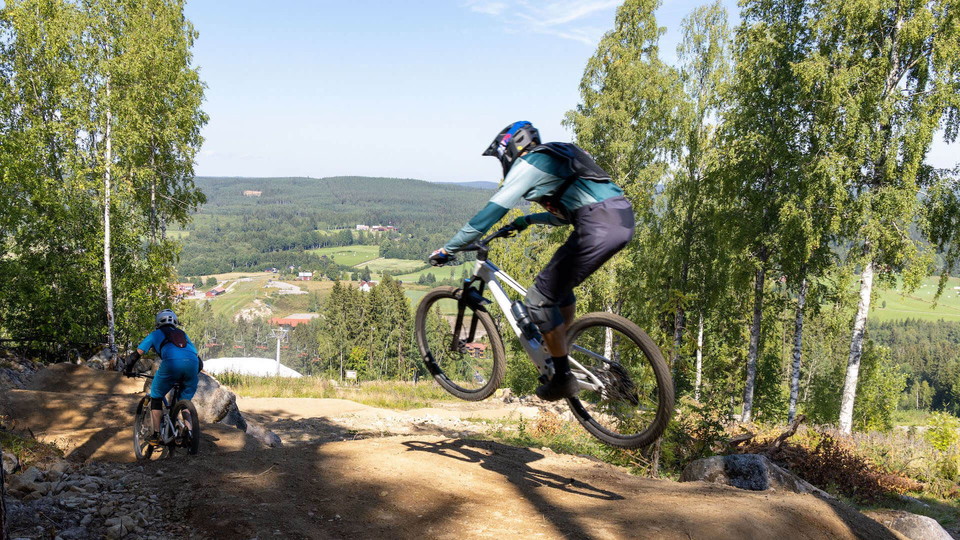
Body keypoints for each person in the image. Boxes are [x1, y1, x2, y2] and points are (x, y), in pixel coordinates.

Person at [430, 121, 635, 401]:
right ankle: (560, 348)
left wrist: (449, 248)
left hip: (596, 225)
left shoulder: (533, 162)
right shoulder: (558, 157)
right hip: (620, 218)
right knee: (557, 291)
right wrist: (527, 219)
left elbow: (492, 210)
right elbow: (565, 215)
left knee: (538, 299)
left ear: (511, 148)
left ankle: (562, 378)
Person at [123, 309, 200, 446]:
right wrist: (189, 373)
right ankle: (189, 432)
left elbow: (135, 356)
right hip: (193, 365)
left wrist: (128, 370)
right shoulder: (183, 334)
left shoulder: (154, 335)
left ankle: (156, 434)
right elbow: (199, 361)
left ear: (158, 322)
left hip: (171, 364)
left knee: (156, 396)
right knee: (185, 400)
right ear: (175, 322)